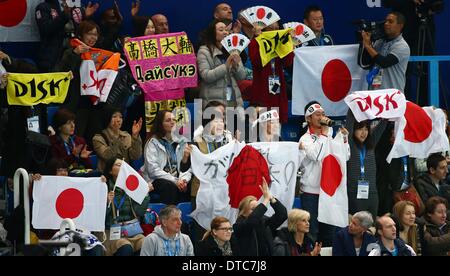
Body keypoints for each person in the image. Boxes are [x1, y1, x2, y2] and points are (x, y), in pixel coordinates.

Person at [298, 101, 350, 246]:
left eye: (323, 114)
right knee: (312, 232)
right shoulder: (304, 139)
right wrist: (325, 134)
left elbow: (344, 158)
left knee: (330, 233)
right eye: (318, 115)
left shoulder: (329, 136)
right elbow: (316, 155)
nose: (322, 117)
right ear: (308, 118)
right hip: (310, 193)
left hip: (328, 192)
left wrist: (344, 140)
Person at [104, 158, 152, 256]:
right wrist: (106, 203)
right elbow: (99, 218)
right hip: (111, 232)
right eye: (118, 165)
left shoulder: (131, 187)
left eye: (123, 164)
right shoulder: (104, 187)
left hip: (132, 230)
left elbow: (139, 212)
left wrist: (145, 195)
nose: (122, 167)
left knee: (146, 244)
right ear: (110, 170)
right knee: (126, 247)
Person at [248, 21, 294, 124]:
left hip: (277, 90)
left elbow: (288, 62)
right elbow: (256, 61)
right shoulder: (255, 41)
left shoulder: (281, 40)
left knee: (277, 127)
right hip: (261, 89)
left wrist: (289, 42)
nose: (275, 25)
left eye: (277, 23)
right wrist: (257, 39)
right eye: (272, 23)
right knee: (262, 127)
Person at [143, 110, 192, 205]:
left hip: (178, 178)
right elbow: (153, 170)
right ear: (160, 124)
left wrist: (184, 180)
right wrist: (175, 181)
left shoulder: (182, 141)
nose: (172, 122)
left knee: (193, 184)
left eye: (174, 120)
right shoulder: (153, 142)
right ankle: (171, 216)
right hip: (157, 180)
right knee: (169, 186)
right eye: (168, 120)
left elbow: (187, 166)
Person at [197, 19, 246, 110]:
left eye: (226, 30)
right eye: (221, 30)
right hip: (213, 103)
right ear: (212, 33)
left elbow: (242, 76)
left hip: (233, 100)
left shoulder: (232, 49)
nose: (225, 32)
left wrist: (237, 65)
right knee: (218, 124)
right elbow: (206, 76)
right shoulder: (203, 51)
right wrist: (225, 66)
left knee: (235, 123)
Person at [346, 111, 387, 217]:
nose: (363, 133)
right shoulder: (349, 144)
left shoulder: (371, 144)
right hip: (354, 192)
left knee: (371, 227)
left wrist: (388, 110)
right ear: (354, 130)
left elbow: (382, 125)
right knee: (356, 226)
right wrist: (353, 107)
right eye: (360, 129)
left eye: (366, 129)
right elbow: (349, 124)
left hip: (372, 193)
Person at [233, 178, 288, 256]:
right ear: (243, 212)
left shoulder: (264, 222)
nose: (258, 211)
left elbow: (282, 215)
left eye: (258, 207)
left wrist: (271, 198)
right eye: (253, 209)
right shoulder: (239, 225)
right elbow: (251, 221)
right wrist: (265, 199)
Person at [360, 12, 410, 91]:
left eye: (390, 22)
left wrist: (368, 46)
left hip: (392, 95)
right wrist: (366, 42)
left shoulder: (402, 46)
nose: (386, 24)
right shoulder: (379, 41)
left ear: (400, 26)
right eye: (385, 21)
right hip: (375, 92)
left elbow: (384, 63)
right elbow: (367, 61)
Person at [92, 107, 143, 172]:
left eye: (120, 117)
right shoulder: (98, 138)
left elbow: (136, 156)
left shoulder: (126, 136)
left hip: (124, 173)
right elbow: (108, 156)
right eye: (114, 116)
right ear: (107, 118)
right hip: (107, 176)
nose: (118, 120)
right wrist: (115, 136)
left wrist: (135, 137)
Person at [50, 108, 93, 175]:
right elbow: (57, 167)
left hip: (79, 177)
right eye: (68, 123)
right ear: (59, 126)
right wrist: (73, 155)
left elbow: (89, 168)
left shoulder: (79, 141)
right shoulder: (53, 142)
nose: (73, 126)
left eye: (73, 122)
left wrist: (84, 158)